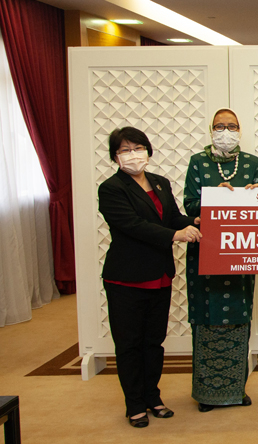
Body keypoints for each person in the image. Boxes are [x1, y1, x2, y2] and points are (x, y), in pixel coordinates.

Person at [98, 126, 202, 427]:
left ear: (148, 149)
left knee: (154, 342)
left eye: (137, 147)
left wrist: (193, 220)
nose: (133, 154)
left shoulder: (159, 182)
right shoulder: (111, 188)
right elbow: (133, 226)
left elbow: (171, 218)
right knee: (129, 343)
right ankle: (135, 405)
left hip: (159, 275)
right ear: (116, 157)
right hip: (126, 278)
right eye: (125, 150)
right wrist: (176, 234)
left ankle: (153, 397)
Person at [183, 108, 258, 412]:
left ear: (240, 130)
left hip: (242, 252)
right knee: (207, 318)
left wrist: (254, 197)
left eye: (232, 126)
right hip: (206, 252)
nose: (225, 131)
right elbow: (189, 203)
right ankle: (206, 394)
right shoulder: (197, 162)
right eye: (219, 126)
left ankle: (235, 390)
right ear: (210, 129)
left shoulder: (252, 163)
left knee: (238, 318)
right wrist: (213, 197)